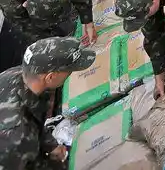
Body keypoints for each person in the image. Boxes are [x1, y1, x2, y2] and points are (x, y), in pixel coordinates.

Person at [0, 37, 97, 170]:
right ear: (50, 77)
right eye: (68, 72)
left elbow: (36, 115)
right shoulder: (19, 133)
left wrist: (50, 145)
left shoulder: (18, 75)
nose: (70, 75)